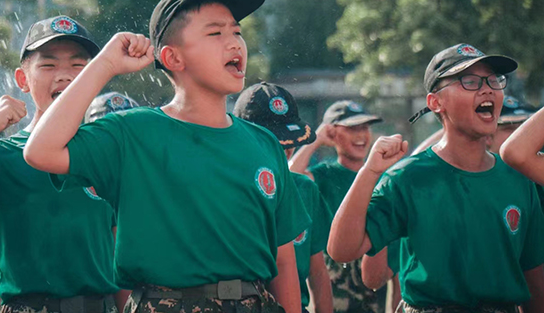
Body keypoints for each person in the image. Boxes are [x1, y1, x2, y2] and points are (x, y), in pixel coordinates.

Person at [24, 0, 311, 313]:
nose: (234, 43)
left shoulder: (264, 144)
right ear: (173, 57)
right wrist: (104, 64)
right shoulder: (133, 133)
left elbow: (284, 261)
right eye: (215, 33)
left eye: (236, 32)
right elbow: (40, 150)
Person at [328, 44, 544, 313]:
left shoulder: (517, 180)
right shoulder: (407, 177)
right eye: (470, 81)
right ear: (435, 102)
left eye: (493, 80)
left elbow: (534, 280)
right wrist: (369, 172)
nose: (487, 89)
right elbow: (342, 250)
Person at [0, 16, 121, 313]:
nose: (64, 76)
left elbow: (119, 250)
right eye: (48, 65)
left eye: (78, 66)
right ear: (22, 80)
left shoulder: (109, 153)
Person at [233, 82, 333, 313]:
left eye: (290, 143)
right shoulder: (229, 187)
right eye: (275, 142)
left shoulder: (305, 190)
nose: (287, 151)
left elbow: (317, 271)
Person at [290, 101, 389, 313]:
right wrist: (315, 140)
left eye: (365, 127)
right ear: (332, 134)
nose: (361, 135)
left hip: (375, 297)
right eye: (352, 128)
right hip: (332, 296)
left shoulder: (382, 179)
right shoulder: (324, 175)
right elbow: (290, 181)